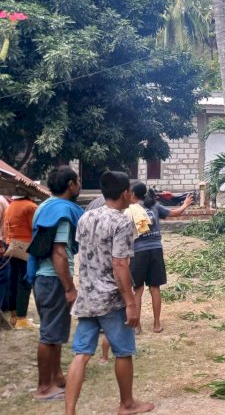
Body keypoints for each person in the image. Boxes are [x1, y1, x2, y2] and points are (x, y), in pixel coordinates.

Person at [65, 171, 154, 415]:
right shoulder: (121, 221)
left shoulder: (86, 217)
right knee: (123, 352)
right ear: (126, 193)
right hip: (112, 299)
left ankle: (69, 411)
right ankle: (127, 404)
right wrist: (130, 303)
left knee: (81, 354)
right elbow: (119, 264)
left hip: (88, 296)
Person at [27, 166, 83, 401]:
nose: (79, 185)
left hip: (43, 277)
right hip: (53, 279)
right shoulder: (61, 211)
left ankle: (57, 376)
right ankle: (43, 387)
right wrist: (69, 287)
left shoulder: (44, 206)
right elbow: (59, 252)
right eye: (78, 181)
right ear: (70, 184)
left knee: (56, 330)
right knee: (50, 334)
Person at [129, 182, 192, 334]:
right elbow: (175, 213)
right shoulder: (155, 206)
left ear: (132, 194)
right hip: (156, 249)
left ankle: (137, 326)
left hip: (139, 251)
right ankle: (157, 324)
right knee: (155, 288)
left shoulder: (131, 209)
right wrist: (185, 204)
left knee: (137, 289)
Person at [4, 193, 38, 328]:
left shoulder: (11, 205)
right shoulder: (30, 207)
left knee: (13, 282)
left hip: (12, 247)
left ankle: (14, 315)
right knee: (25, 282)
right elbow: (35, 228)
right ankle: (22, 318)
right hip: (26, 248)